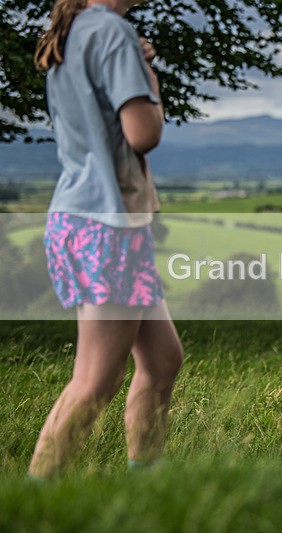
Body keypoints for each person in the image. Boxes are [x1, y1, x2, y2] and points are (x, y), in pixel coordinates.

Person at [28, 0, 183, 479]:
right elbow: (143, 133)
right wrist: (149, 79)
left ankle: (146, 487)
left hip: (89, 220)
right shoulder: (111, 31)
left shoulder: (75, 29)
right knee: (95, 379)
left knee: (161, 361)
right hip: (105, 227)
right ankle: (32, 501)